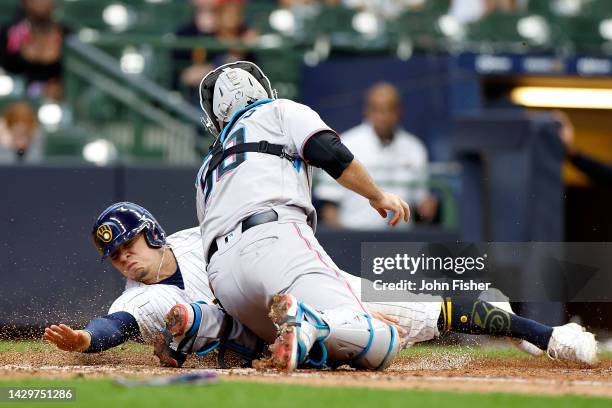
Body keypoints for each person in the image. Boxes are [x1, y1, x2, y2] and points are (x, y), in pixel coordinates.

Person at [44, 203, 597, 368]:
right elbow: (114, 324)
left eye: (129, 245)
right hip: (258, 331)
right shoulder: (139, 299)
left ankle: (546, 335)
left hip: (309, 286)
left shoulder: (199, 238)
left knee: (452, 310)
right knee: (195, 328)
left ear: (153, 234)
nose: (124, 259)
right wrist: (88, 340)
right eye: (113, 256)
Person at [315, 82, 438, 229]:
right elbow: (329, 205)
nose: (383, 116)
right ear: (366, 110)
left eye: (389, 109)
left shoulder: (415, 148)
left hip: (402, 242)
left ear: (399, 111)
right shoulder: (345, 145)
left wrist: (426, 208)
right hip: (354, 238)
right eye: (377, 109)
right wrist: (344, 243)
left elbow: (421, 205)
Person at [0, 0, 68, 101]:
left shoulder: (67, 35)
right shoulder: (6, 33)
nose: (43, 3)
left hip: (53, 106)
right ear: (25, 2)